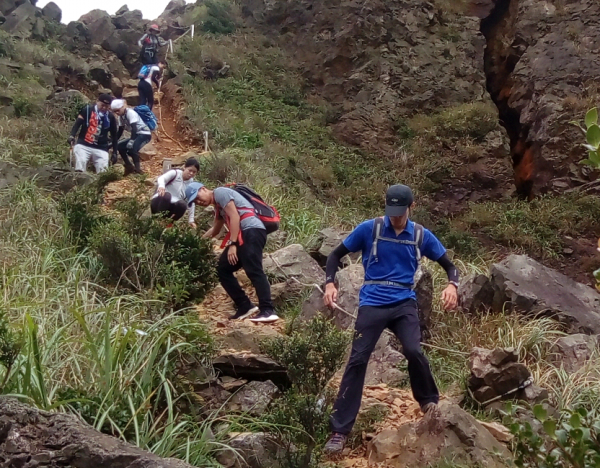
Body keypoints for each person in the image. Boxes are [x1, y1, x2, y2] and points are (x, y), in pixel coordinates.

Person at [322, 184, 460, 454]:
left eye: (400, 212)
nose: (395, 217)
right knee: (358, 359)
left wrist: (452, 286)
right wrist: (330, 283)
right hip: (372, 301)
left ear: (412, 207)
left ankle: (429, 402)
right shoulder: (369, 229)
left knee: (414, 350)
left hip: (403, 302)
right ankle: (339, 430)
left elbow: (450, 266)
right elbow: (335, 255)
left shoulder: (420, 234)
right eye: (391, 211)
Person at [186, 182, 279, 323]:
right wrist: (196, 243)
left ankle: (267, 310)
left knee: (254, 270)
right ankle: (244, 305)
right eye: (195, 202)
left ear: (203, 188)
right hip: (245, 234)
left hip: (251, 231)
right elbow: (215, 230)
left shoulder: (220, 193)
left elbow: (235, 216)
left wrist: (233, 244)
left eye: (197, 197)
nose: (199, 202)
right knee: (223, 269)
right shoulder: (218, 207)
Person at [68, 93, 118, 173]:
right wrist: (72, 135)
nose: (104, 108)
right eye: (102, 105)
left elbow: (114, 136)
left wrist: (115, 152)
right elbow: (77, 124)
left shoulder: (110, 117)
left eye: (107, 106)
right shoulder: (87, 110)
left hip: (101, 147)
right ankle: (79, 181)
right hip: (83, 144)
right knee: (81, 162)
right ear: (97, 101)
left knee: (103, 171)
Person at [151, 158, 200, 227]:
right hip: (159, 202)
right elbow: (162, 178)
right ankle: (158, 220)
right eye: (190, 170)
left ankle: (169, 224)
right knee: (167, 196)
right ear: (184, 167)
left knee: (183, 205)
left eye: (194, 172)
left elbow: (191, 203)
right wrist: (162, 186)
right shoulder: (175, 173)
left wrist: (191, 220)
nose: (191, 173)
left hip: (172, 207)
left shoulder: (191, 185)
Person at [110, 99, 152, 175]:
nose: (117, 113)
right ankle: (129, 165)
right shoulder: (121, 117)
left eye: (118, 110)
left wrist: (132, 141)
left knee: (133, 149)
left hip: (144, 134)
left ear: (123, 107)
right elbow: (120, 132)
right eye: (115, 111)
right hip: (136, 134)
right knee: (120, 146)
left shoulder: (130, 113)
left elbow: (134, 128)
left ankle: (138, 170)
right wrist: (113, 143)